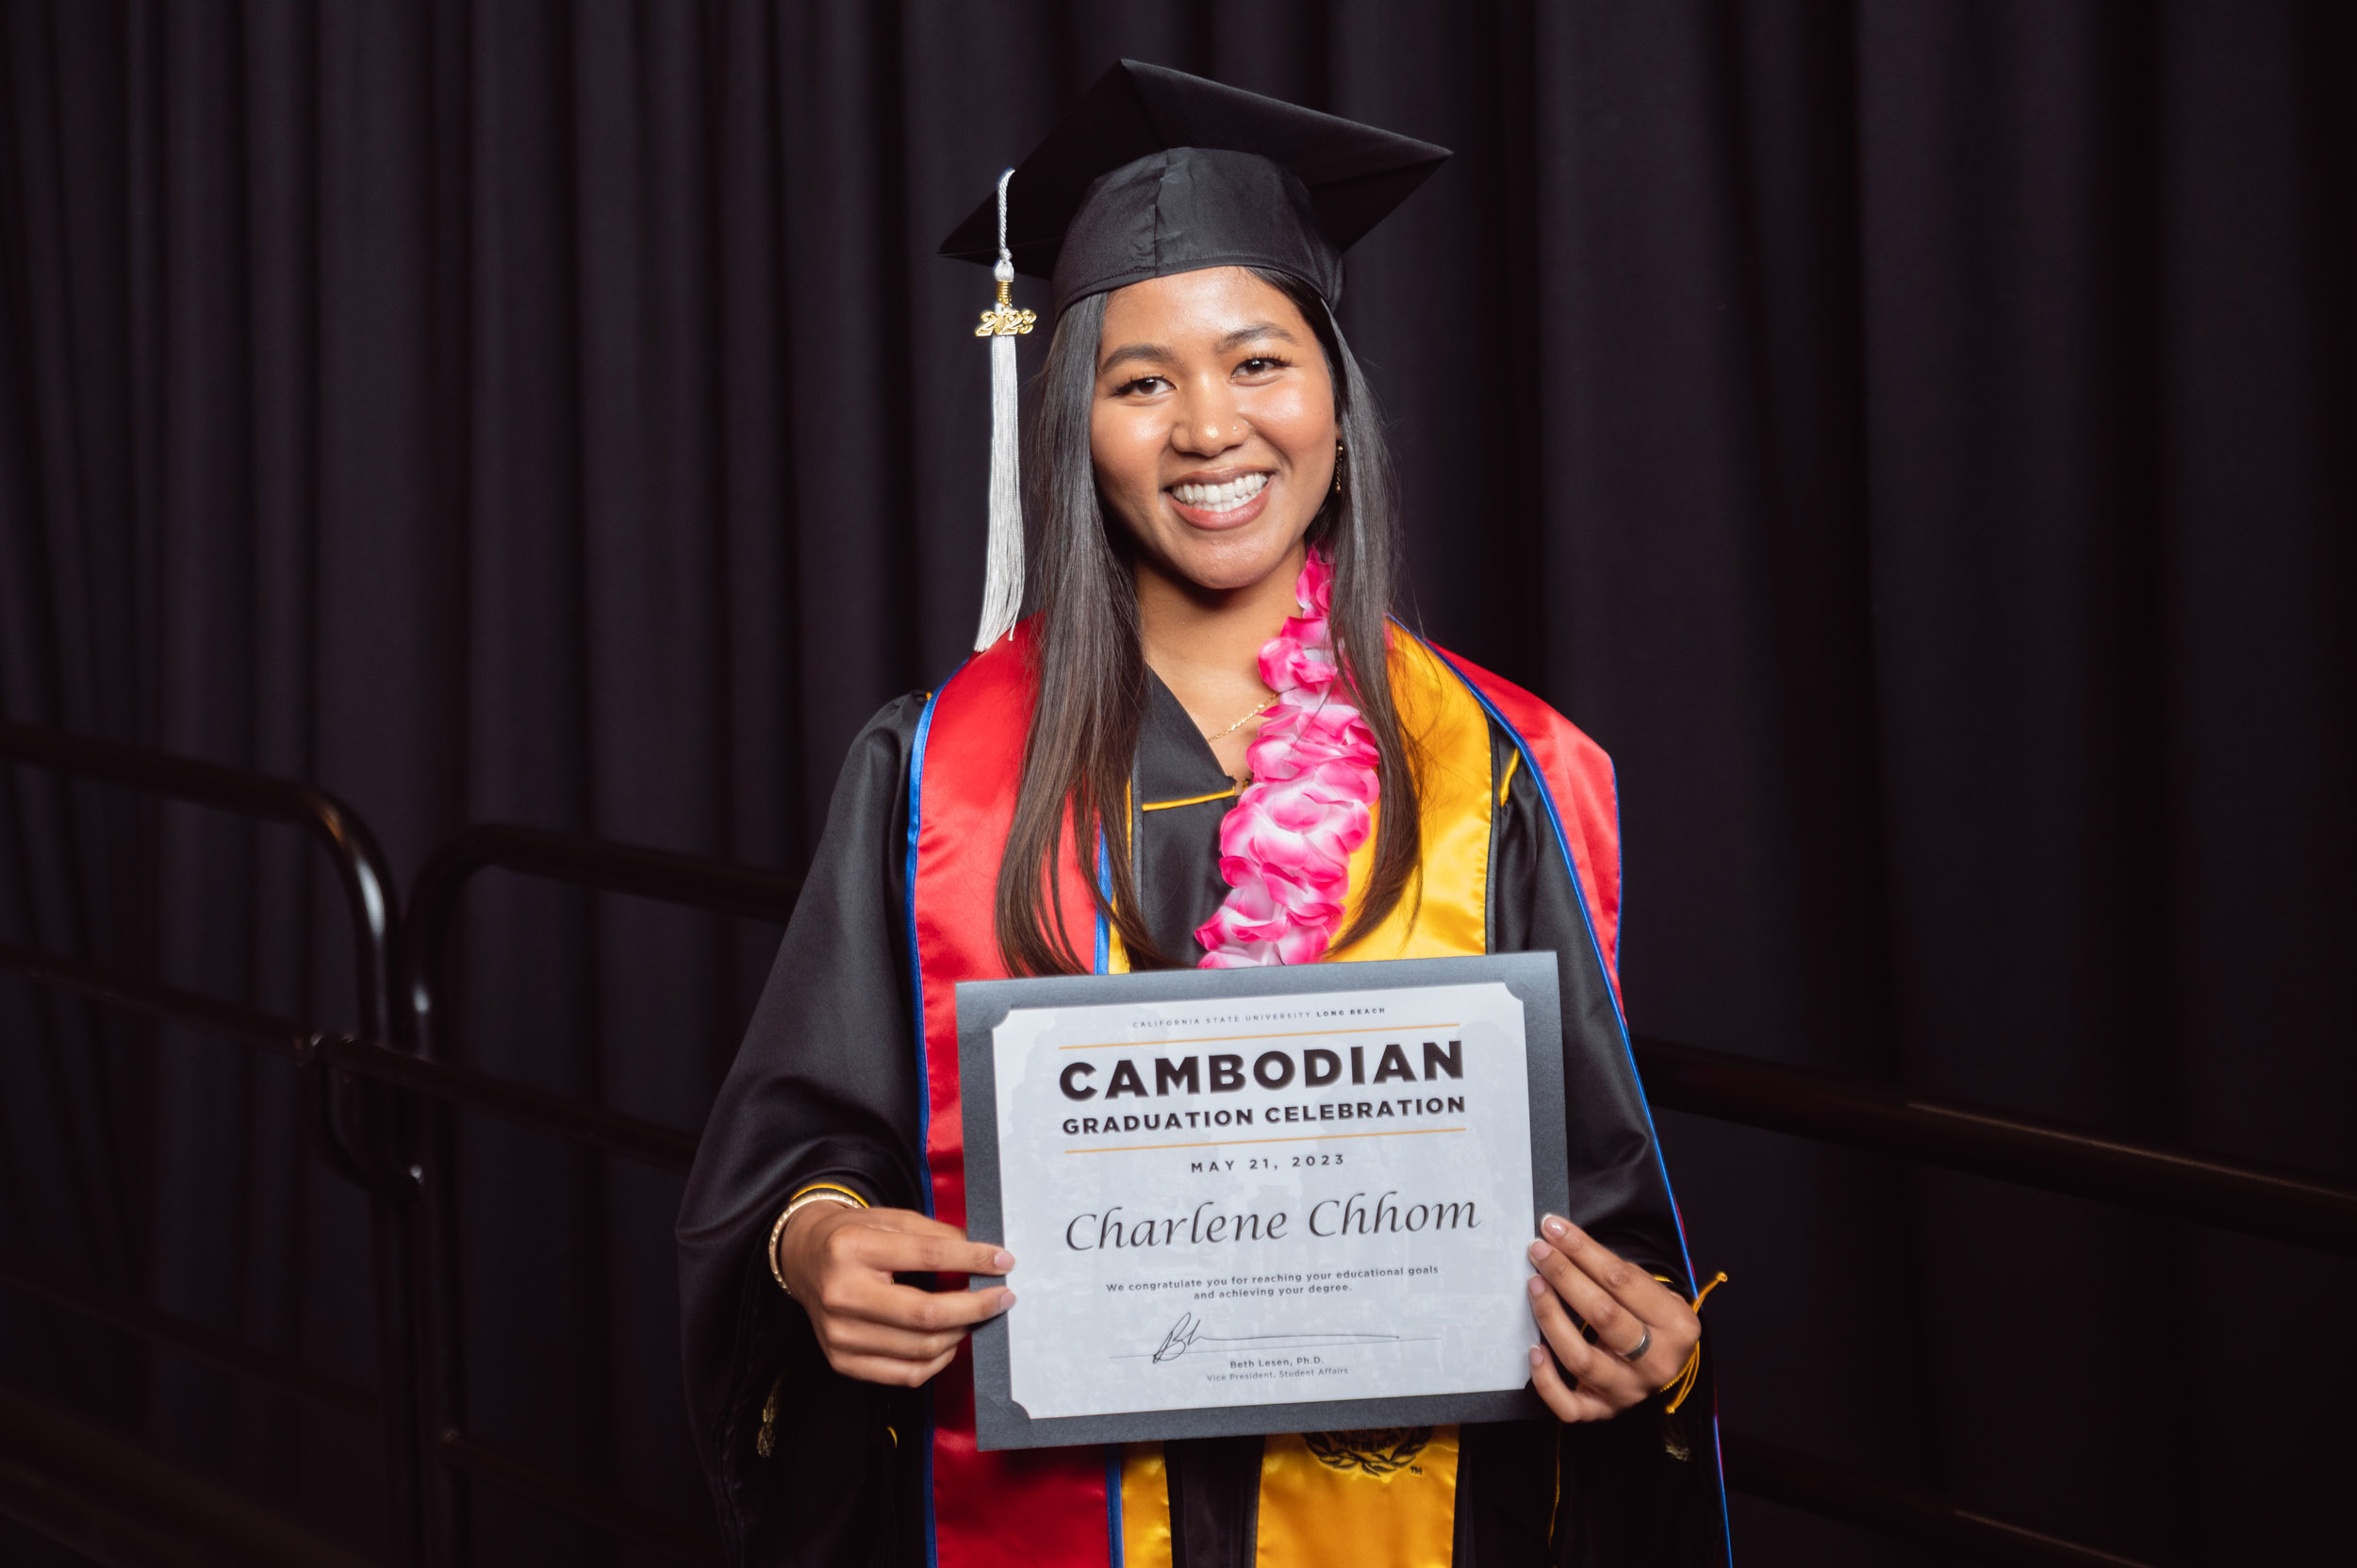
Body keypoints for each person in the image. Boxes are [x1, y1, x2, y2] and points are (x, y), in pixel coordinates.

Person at [678, 60, 1730, 1568]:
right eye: (1141, 380)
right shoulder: (932, 775)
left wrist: (1646, 1342)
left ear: (1337, 399)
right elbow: (798, 1152)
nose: (1208, 431)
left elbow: (1603, 1218)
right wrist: (816, 1245)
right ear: (1077, 432)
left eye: (1258, 362)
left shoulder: (1504, 766)